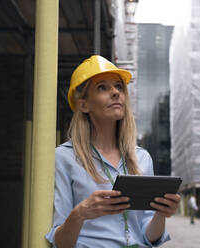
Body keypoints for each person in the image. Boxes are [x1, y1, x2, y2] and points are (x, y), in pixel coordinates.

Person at [45, 55, 181, 248]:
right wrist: (80, 213)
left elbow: (149, 236)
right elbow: (61, 243)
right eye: (102, 87)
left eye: (118, 86)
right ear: (83, 104)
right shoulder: (65, 157)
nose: (116, 93)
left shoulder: (141, 158)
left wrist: (161, 212)